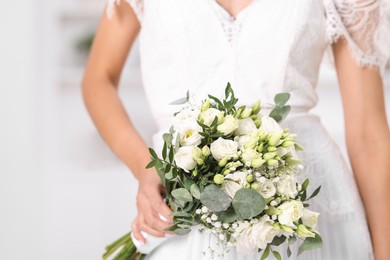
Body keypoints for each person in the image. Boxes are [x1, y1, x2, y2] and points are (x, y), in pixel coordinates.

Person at [82, 0, 390, 259]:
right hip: (182, 203)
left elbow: (368, 133)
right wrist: (145, 168)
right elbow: (98, 78)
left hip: (308, 208)